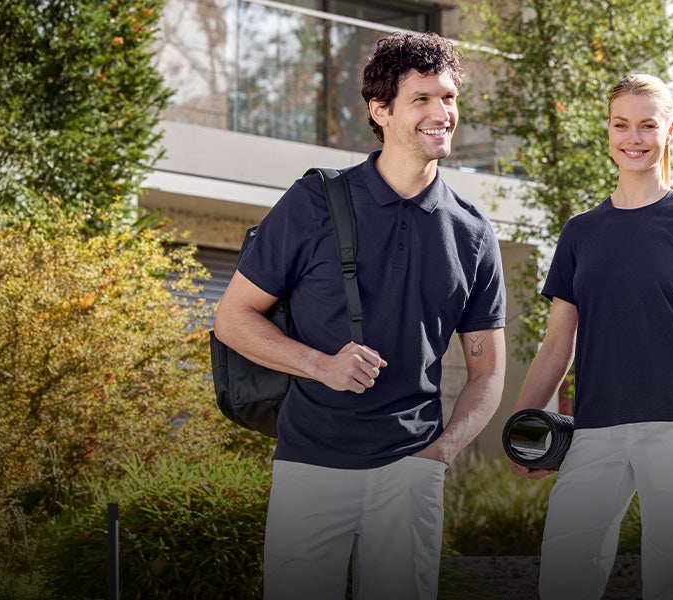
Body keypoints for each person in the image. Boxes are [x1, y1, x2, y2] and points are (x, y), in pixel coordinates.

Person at [212, 31, 506, 600]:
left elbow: (488, 371)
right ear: (381, 109)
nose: (441, 112)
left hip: (412, 470)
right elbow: (234, 318)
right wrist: (321, 365)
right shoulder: (316, 202)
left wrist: (442, 452)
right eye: (421, 99)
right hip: (311, 466)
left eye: (448, 97)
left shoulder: (472, 233)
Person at [508, 73, 673, 600]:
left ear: (669, 131)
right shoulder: (581, 231)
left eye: (647, 125)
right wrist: (522, 432)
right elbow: (557, 343)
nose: (633, 137)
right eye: (621, 124)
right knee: (565, 573)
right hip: (595, 427)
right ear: (607, 131)